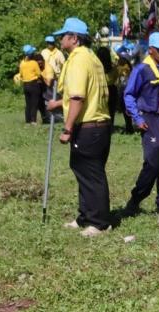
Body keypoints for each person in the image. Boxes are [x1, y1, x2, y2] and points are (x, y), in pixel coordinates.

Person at [45, 17, 112, 236]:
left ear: (74, 38)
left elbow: (77, 97)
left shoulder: (77, 60)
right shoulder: (91, 57)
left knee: (91, 174)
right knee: (83, 170)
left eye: (63, 35)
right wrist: (58, 103)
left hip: (88, 126)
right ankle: (85, 216)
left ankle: (99, 222)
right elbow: (82, 91)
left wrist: (67, 128)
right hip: (99, 124)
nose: (60, 39)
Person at [122, 33, 159, 216]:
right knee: (152, 163)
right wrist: (137, 118)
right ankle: (136, 199)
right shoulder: (141, 70)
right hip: (149, 118)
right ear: (150, 50)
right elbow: (129, 94)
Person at [17, 45, 44, 125]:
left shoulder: (22, 63)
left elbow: (21, 74)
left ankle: (27, 121)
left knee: (28, 104)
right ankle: (33, 121)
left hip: (25, 85)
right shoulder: (34, 63)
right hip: (34, 84)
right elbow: (39, 74)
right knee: (34, 103)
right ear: (31, 54)